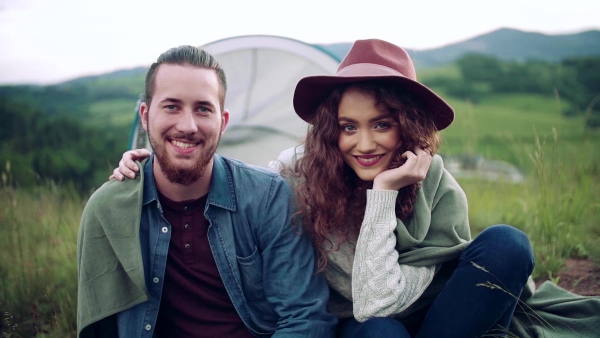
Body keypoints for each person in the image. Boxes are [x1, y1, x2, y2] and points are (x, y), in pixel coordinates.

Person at [114, 40, 600, 337]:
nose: (363, 143)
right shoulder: (300, 174)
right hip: (364, 319)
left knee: (509, 244)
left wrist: (390, 190)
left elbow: (436, 275)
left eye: (381, 124)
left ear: (407, 125)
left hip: (440, 312)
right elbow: (370, 304)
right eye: (348, 126)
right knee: (380, 330)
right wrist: (147, 160)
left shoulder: (434, 182)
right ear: (332, 129)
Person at [77, 45, 337, 338]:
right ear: (146, 115)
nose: (187, 126)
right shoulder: (108, 210)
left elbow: (304, 318)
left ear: (222, 122)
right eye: (171, 106)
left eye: (203, 109)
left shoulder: (266, 198)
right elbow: (100, 326)